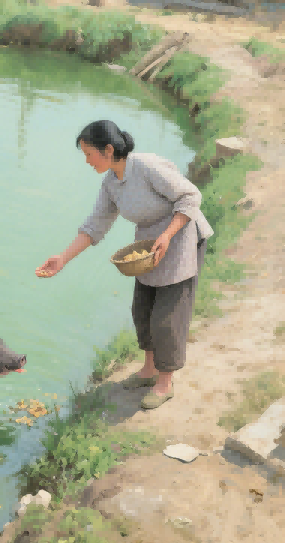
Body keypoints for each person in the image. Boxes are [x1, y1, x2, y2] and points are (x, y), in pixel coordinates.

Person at [36, 120, 214, 410]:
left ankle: (164, 383)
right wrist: (62, 259)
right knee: (142, 310)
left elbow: (190, 196)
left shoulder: (146, 167)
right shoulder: (110, 183)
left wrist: (168, 235)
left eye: (89, 154)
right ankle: (148, 369)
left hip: (180, 237)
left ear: (108, 150)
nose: (86, 160)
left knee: (167, 317)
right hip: (148, 245)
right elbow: (95, 225)